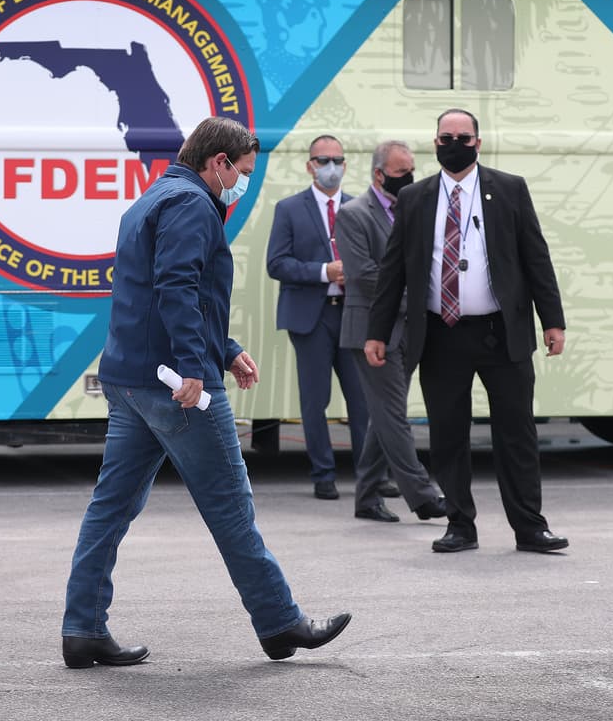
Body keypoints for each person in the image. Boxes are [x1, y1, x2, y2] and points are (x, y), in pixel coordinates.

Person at [62, 116, 351, 668]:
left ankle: (82, 628)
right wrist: (199, 365)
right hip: (176, 386)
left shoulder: (151, 198)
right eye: (241, 172)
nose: (241, 184)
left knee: (111, 508)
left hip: (130, 380)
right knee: (230, 506)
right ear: (217, 162)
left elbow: (157, 294)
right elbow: (177, 287)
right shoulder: (194, 204)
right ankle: (280, 622)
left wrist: (224, 346)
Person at [365, 109, 568, 554]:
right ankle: (460, 525)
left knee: (516, 434)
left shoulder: (509, 189)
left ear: (478, 142)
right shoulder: (416, 198)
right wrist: (377, 331)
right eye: (445, 137)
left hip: (501, 333)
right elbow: (393, 270)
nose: (453, 143)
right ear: (434, 142)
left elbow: (537, 257)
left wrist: (552, 320)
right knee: (448, 435)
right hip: (441, 335)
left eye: (463, 136)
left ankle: (530, 528)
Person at [336, 140, 447, 523]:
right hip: (371, 331)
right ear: (378, 174)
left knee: (384, 415)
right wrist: (415, 300)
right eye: (402, 173)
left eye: (412, 170)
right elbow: (363, 276)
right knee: (394, 415)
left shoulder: (414, 210)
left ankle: (367, 498)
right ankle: (422, 495)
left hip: (409, 331)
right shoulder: (353, 214)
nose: (410, 178)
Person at [265, 134, 374, 501]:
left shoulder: (361, 206)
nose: (332, 167)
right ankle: (323, 474)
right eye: (323, 160)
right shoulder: (289, 208)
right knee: (315, 400)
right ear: (309, 165)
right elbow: (276, 263)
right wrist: (324, 271)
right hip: (311, 318)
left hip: (352, 314)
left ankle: (370, 474)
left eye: (338, 160)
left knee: (363, 400)